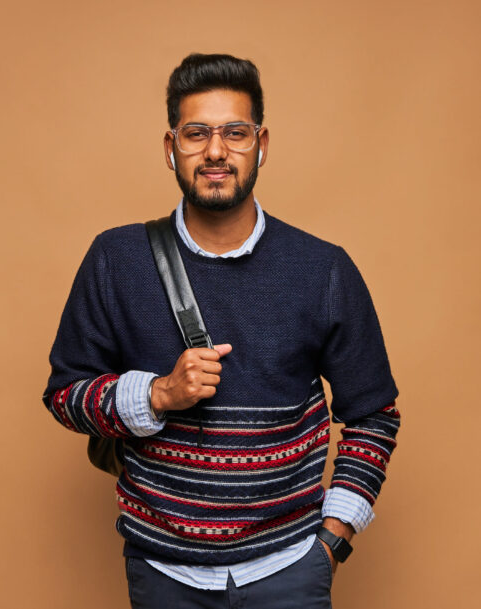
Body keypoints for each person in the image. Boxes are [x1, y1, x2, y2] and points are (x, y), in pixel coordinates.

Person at [42, 53, 400, 609]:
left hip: (290, 569)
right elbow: (65, 394)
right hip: (163, 573)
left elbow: (374, 414)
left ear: (261, 144)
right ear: (170, 148)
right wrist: (158, 393)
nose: (215, 151)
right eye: (196, 133)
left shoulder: (323, 268)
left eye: (235, 133)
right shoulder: (116, 258)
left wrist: (331, 542)